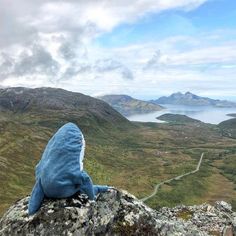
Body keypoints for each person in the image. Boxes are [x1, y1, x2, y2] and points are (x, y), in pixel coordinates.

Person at [28, 122, 110, 215]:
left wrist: (31, 211)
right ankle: (99, 189)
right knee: (80, 185)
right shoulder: (73, 169)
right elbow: (85, 180)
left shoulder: (48, 168)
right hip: (65, 190)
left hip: (46, 189)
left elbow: (38, 185)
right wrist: (92, 198)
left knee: (78, 184)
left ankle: (100, 188)